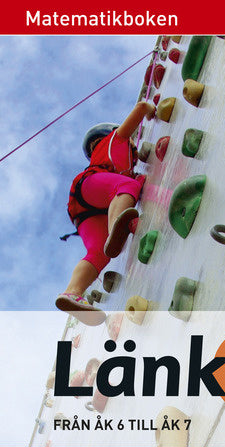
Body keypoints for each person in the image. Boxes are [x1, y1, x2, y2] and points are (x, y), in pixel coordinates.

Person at [55, 101, 156, 325]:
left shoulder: (112, 162)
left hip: (83, 212)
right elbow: (141, 107)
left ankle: (72, 293)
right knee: (127, 186)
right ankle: (116, 227)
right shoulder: (114, 140)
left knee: (99, 253)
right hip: (90, 186)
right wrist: (151, 112)